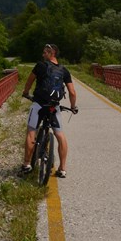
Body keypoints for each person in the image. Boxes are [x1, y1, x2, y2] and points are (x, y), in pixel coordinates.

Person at [21, 43, 78, 177]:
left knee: (31, 132)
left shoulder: (40, 66)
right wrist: (73, 106)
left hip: (39, 105)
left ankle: (26, 164)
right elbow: (72, 92)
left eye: (45, 53)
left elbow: (29, 82)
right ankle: (62, 169)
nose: (43, 55)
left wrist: (25, 92)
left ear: (51, 53)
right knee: (60, 134)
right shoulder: (64, 70)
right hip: (54, 106)